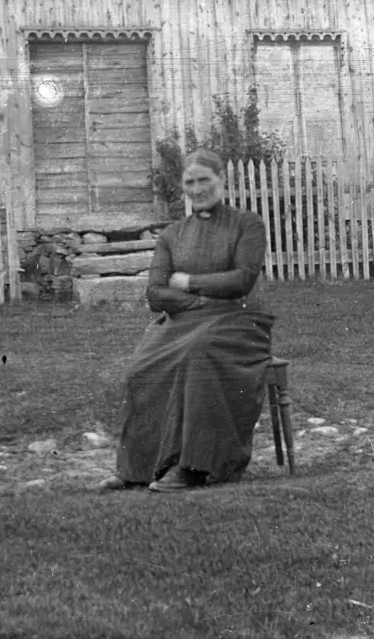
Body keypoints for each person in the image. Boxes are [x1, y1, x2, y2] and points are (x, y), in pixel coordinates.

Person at [100, 148, 275, 492]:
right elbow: (155, 293)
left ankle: (194, 466)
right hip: (184, 322)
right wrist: (202, 298)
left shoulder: (247, 225)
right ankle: (138, 468)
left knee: (197, 356)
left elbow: (241, 281)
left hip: (237, 325)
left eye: (204, 180)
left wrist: (188, 281)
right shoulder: (172, 235)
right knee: (141, 369)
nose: (197, 189)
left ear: (222, 181)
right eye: (190, 182)